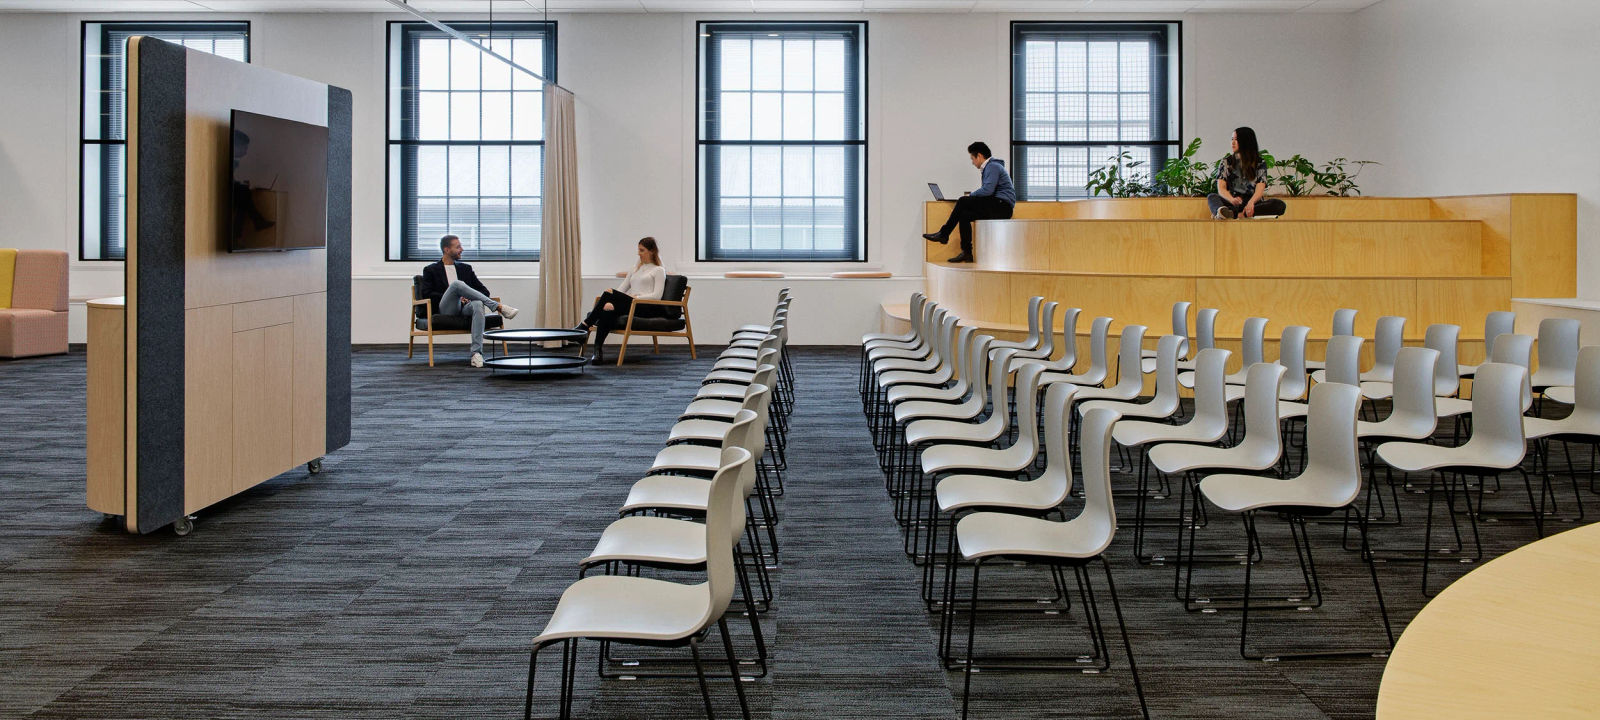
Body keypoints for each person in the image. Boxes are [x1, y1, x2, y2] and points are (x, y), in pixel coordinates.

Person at [418, 234, 519, 368]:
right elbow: (427, 293)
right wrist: (456, 295)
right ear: (447, 249)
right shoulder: (431, 270)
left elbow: (484, 291)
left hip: (465, 308)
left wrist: (468, 297)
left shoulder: (465, 268)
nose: (462, 249)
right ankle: (498, 307)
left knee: (477, 303)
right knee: (457, 285)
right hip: (446, 309)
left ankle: (476, 354)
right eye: (458, 247)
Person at [575, 237, 668, 364]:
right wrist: (610, 302)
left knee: (609, 294)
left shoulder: (659, 270)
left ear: (651, 251)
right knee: (607, 308)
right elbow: (621, 290)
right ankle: (597, 352)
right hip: (631, 304)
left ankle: (585, 325)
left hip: (646, 306)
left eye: (642, 250)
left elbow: (657, 295)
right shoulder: (635, 269)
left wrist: (637, 298)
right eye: (638, 250)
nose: (638, 253)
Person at [921, 141, 1015, 263]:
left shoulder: (993, 167)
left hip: (1002, 207)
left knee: (963, 201)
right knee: (964, 215)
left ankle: (944, 233)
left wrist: (970, 196)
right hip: (997, 205)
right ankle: (967, 253)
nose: (972, 162)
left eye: (972, 158)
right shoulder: (991, 167)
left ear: (979, 156)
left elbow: (987, 190)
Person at [1209, 127, 1287, 220]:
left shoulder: (1259, 162)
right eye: (1232, 139)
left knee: (1279, 205)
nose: (1233, 143)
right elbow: (1221, 188)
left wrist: (1251, 203)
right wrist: (1231, 199)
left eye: (1236, 139)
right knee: (1212, 197)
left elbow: (1260, 189)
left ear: (1246, 141)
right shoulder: (1226, 162)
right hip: (1233, 202)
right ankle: (1224, 212)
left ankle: (1235, 215)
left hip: (1253, 204)